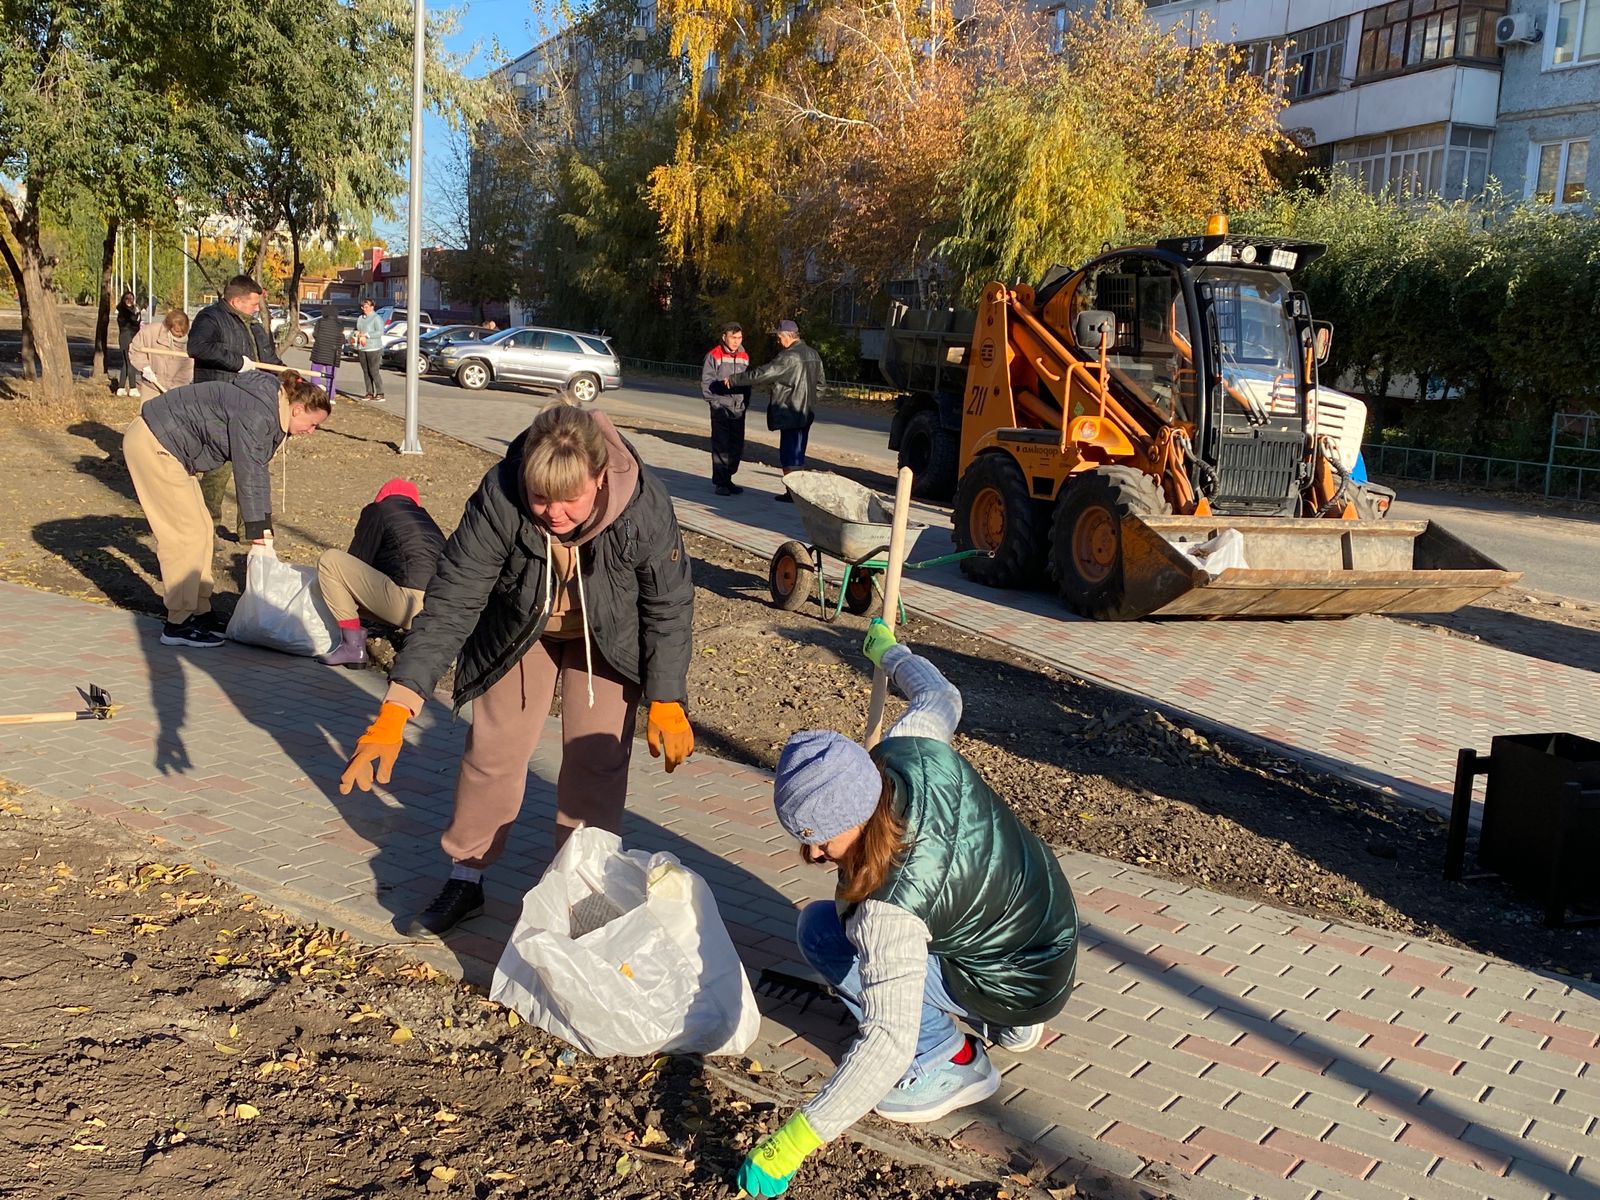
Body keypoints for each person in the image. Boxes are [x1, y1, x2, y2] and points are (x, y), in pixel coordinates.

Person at [736, 620, 1079, 1198]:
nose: (813, 852)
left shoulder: (889, 912)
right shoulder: (912, 749)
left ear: (852, 811)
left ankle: (953, 1058)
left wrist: (792, 1141)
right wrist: (889, 651)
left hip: (1011, 972)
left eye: (819, 837)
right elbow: (941, 695)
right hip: (1047, 935)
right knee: (854, 920)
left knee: (822, 932)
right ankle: (1013, 1022)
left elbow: (886, 1039)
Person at [337, 403, 697, 937]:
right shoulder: (500, 498)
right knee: (492, 753)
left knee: (595, 764)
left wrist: (666, 696)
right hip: (519, 630)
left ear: (600, 480)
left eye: (568, 500)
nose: (553, 514)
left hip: (607, 641)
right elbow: (453, 601)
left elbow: (669, 604)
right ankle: (466, 875)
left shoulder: (644, 506)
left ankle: (585, 888)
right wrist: (398, 707)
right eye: (540, 498)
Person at [122, 369, 332, 649]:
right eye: (313, 423)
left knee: (204, 528)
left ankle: (199, 611)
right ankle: (178, 622)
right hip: (155, 442)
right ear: (297, 409)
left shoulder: (268, 406)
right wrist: (259, 529)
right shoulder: (259, 413)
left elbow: (256, 470)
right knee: (185, 535)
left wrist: (261, 525)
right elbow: (250, 472)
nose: (312, 431)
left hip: (171, 447)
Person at [188, 275, 285, 529]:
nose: (257, 309)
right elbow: (198, 347)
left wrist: (290, 379)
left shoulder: (254, 326)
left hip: (254, 408)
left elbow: (270, 361)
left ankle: (252, 532)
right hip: (219, 406)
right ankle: (205, 524)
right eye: (253, 304)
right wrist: (237, 362)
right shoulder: (210, 318)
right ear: (235, 300)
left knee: (253, 470)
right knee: (218, 470)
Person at [316, 479, 446, 668]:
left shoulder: (379, 510)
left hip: (409, 607)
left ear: (382, 497)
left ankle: (352, 647)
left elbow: (358, 561)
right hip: (441, 611)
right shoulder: (428, 523)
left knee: (331, 562)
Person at [720, 319, 824, 502]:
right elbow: (821, 385)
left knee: (789, 453)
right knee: (798, 451)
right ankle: (795, 492)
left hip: (790, 409)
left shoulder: (789, 356)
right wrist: (811, 402)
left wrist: (736, 379)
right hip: (805, 411)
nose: (777, 341)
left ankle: (793, 493)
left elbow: (764, 373)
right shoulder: (813, 354)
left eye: (778, 337)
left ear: (786, 336)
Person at [700, 322, 750, 496]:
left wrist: (745, 404)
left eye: (739, 338)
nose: (736, 341)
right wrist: (715, 403)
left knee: (736, 446)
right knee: (721, 445)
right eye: (733, 338)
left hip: (738, 408)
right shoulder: (714, 355)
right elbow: (707, 383)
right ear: (724, 337)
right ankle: (721, 482)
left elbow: (748, 382)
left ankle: (729, 478)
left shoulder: (744, 355)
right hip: (721, 407)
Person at [127, 309, 194, 396]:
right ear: (169, 326)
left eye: (183, 332)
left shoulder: (190, 342)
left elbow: (187, 371)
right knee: (148, 409)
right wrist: (145, 368)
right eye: (177, 331)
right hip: (151, 386)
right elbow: (136, 348)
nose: (180, 334)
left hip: (175, 391)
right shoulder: (151, 331)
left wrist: (175, 389)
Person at [354, 298, 385, 403]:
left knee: (374, 371)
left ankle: (380, 393)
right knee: (366, 371)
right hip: (362, 348)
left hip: (374, 348)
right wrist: (356, 335)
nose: (364, 309)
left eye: (367, 307)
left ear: (372, 307)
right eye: (363, 307)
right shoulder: (360, 318)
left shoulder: (376, 318)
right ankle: (369, 393)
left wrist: (366, 335)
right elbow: (357, 329)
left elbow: (380, 332)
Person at [309, 309, 343, 403]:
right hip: (333, 354)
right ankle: (331, 396)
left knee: (315, 374)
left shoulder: (320, 322)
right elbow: (341, 337)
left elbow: (315, 334)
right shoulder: (339, 324)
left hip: (319, 352)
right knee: (331, 376)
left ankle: (314, 395)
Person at [115, 291, 143, 397]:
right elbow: (133, 323)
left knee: (126, 364)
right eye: (127, 299)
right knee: (131, 363)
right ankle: (132, 388)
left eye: (131, 299)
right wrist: (137, 316)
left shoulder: (125, 311)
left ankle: (121, 387)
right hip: (127, 338)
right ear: (123, 299)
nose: (129, 301)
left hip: (125, 338)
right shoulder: (125, 312)